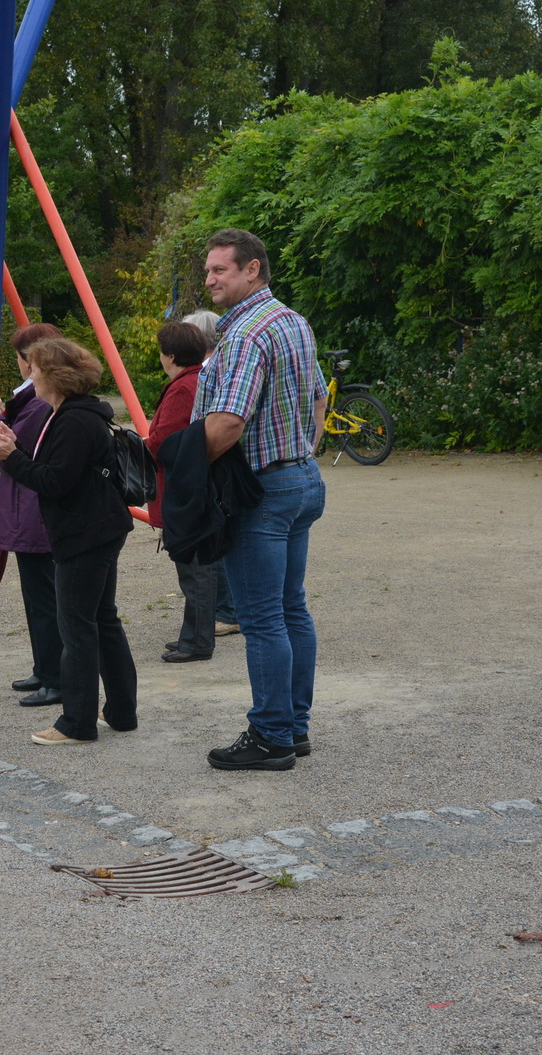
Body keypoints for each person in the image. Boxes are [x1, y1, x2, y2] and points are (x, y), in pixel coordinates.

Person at [192, 228, 327, 772]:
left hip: (262, 490)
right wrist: (299, 452)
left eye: (220, 270)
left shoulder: (246, 334)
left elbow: (225, 425)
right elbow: (318, 397)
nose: (210, 280)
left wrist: (177, 467)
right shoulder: (293, 321)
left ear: (253, 270)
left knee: (263, 617)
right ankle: (293, 728)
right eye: (208, 271)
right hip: (300, 480)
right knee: (290, 607)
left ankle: (271, 736)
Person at [0, 337, 136, 745]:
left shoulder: (73, 420)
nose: (31, 373)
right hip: (97, 526)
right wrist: (13, 452)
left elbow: (54, 481)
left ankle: (77, 723)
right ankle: (121, 711)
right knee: (102, 619)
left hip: (84, 532)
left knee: (78, 626)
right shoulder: (74, 413)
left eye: (37, 368)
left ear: (55, 377)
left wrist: (10, 456)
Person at [0, 324, 65, 706]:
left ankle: (55, 676)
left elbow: (10, 448)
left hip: (34, 511)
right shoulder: (30, 398)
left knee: (45, 598)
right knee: (35, 596)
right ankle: (45, 668)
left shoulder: (39, 401)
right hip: (25, 509)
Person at [146, 322, 212, 662]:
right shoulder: (197, 379)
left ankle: (198, 641)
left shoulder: (184, 387)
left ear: (170, 355)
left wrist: (140, 446)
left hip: (183, 488)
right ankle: (194, 636)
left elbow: (164, 441)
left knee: (193, 567)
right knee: (194, 566)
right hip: (193, 485)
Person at [181, 308, 238, 638]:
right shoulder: (217, 365)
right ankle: (227, 607)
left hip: (213, 466)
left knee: (215, 538)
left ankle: (227, 610)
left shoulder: (206, 371)